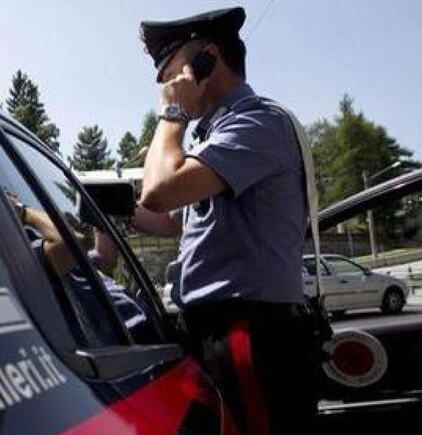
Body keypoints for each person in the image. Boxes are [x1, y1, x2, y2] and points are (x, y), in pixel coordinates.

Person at [137, 7, 322, 435]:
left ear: (208, 58)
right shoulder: (213, 135)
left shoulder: (257, 121)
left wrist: (172, 117)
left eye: (171, 73)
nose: (166, 88)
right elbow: (176, 221)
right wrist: (114, 213)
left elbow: (159, 191)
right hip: (221, 331)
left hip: (248, 334)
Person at [7, 193, 158, 344]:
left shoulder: (54, 250)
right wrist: (22, 211)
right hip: (128, 338)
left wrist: (101, 220)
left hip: (142, 323)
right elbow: (71, 242)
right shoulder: (25, 251)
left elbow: (104, 260)